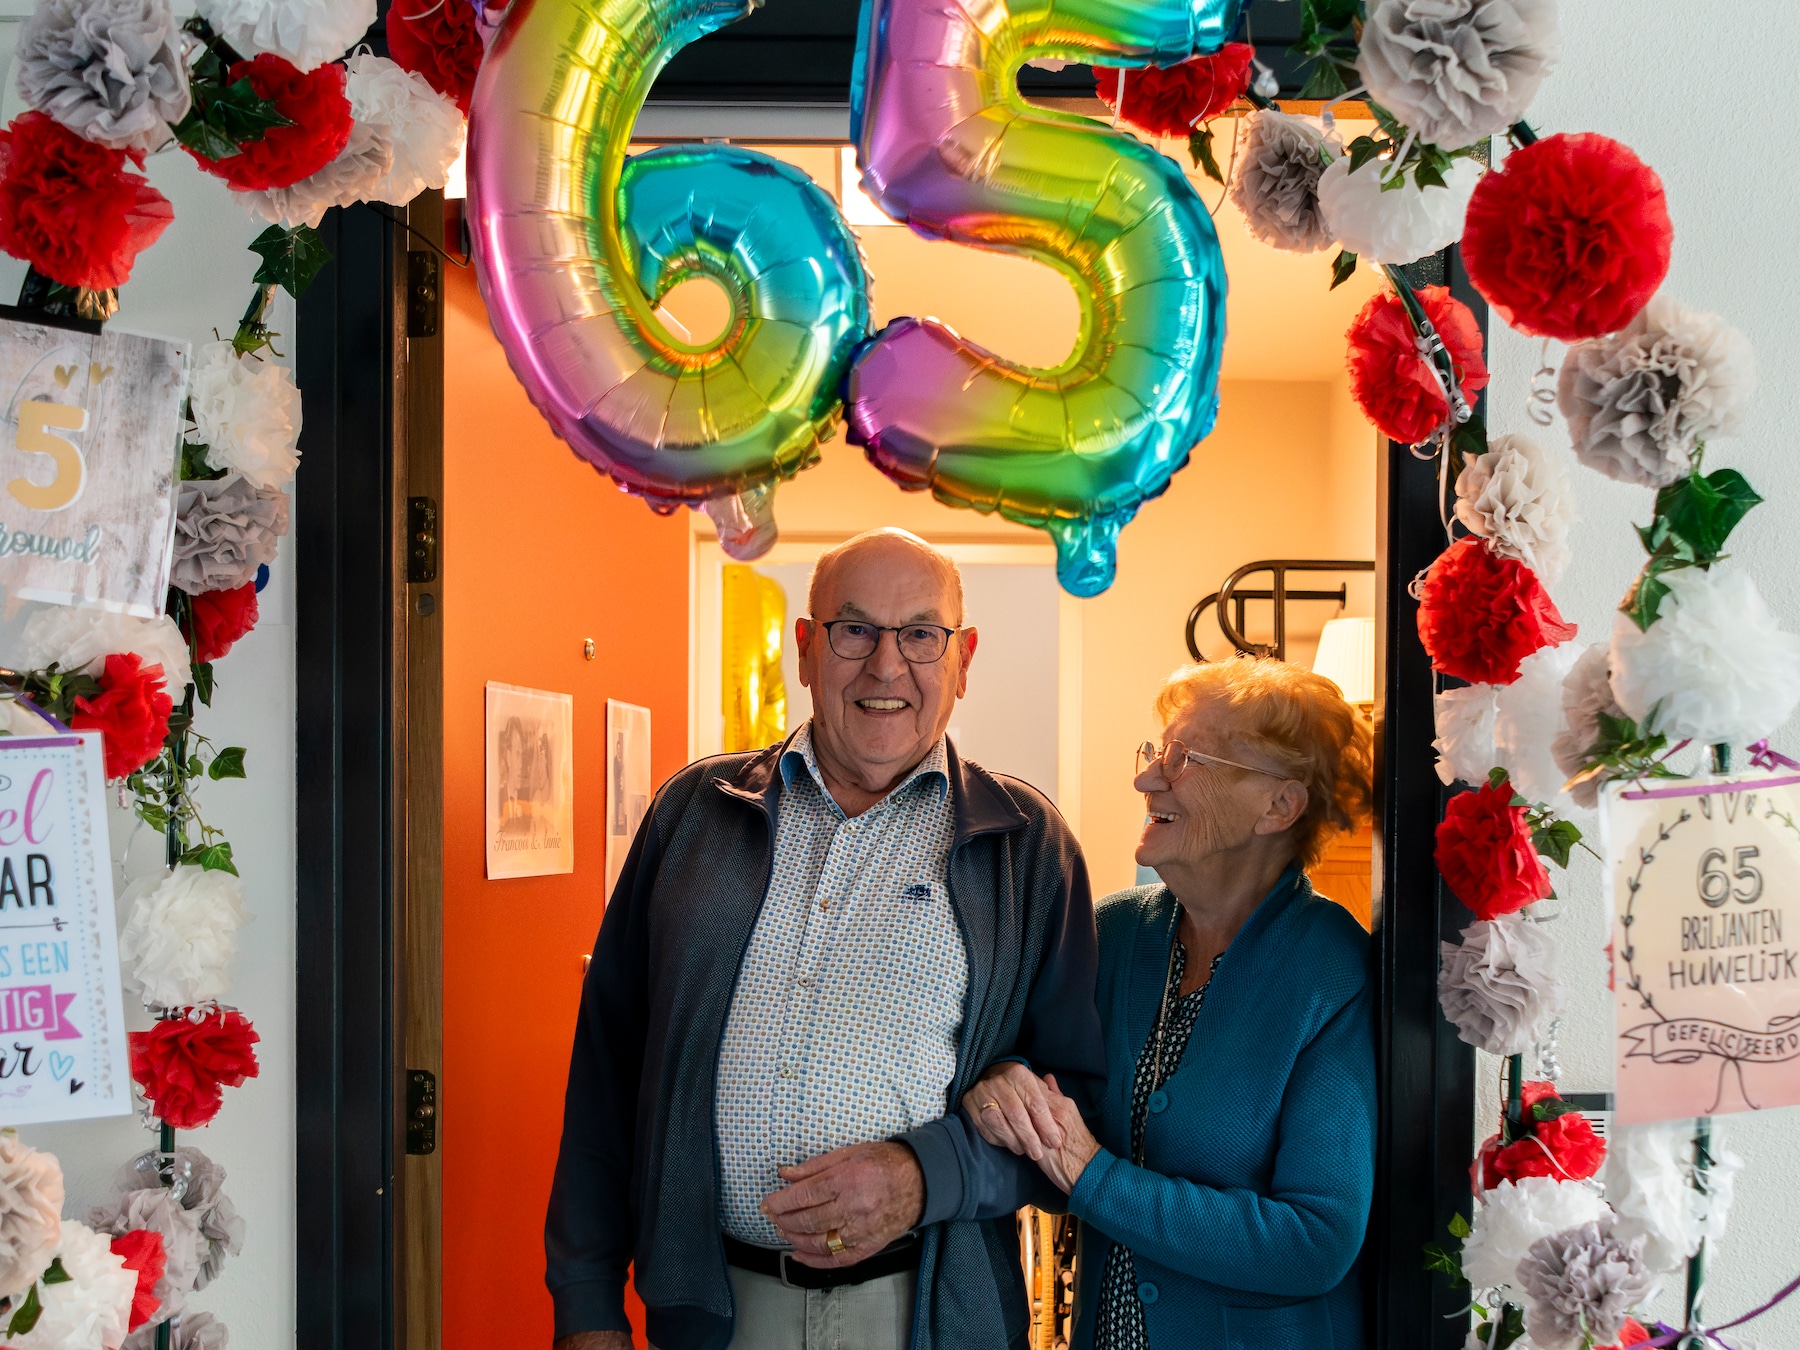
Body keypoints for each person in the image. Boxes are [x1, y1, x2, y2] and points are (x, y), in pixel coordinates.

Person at [547, 527, 1105, 1350]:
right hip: (716, 1313)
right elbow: (607, 1068)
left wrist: (926, 1176)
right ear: (805, 649)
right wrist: (588, 1304)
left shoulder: (1027, 846)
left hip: (924, 1315)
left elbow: (1074, 1112)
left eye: (921, 633)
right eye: (854, 631)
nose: (886, 667)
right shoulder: (692, 816)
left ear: (964, 657)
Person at [964, 657, 1377, 1350]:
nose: (1145, 776)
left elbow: (1315, 1241)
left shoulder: (1330, 970)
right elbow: (1050, 1116)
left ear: (1278, 805)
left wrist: (1091, 1174)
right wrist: (1007, 1078)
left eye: (1185, 758)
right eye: (1158, 750)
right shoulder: (1115, 932)